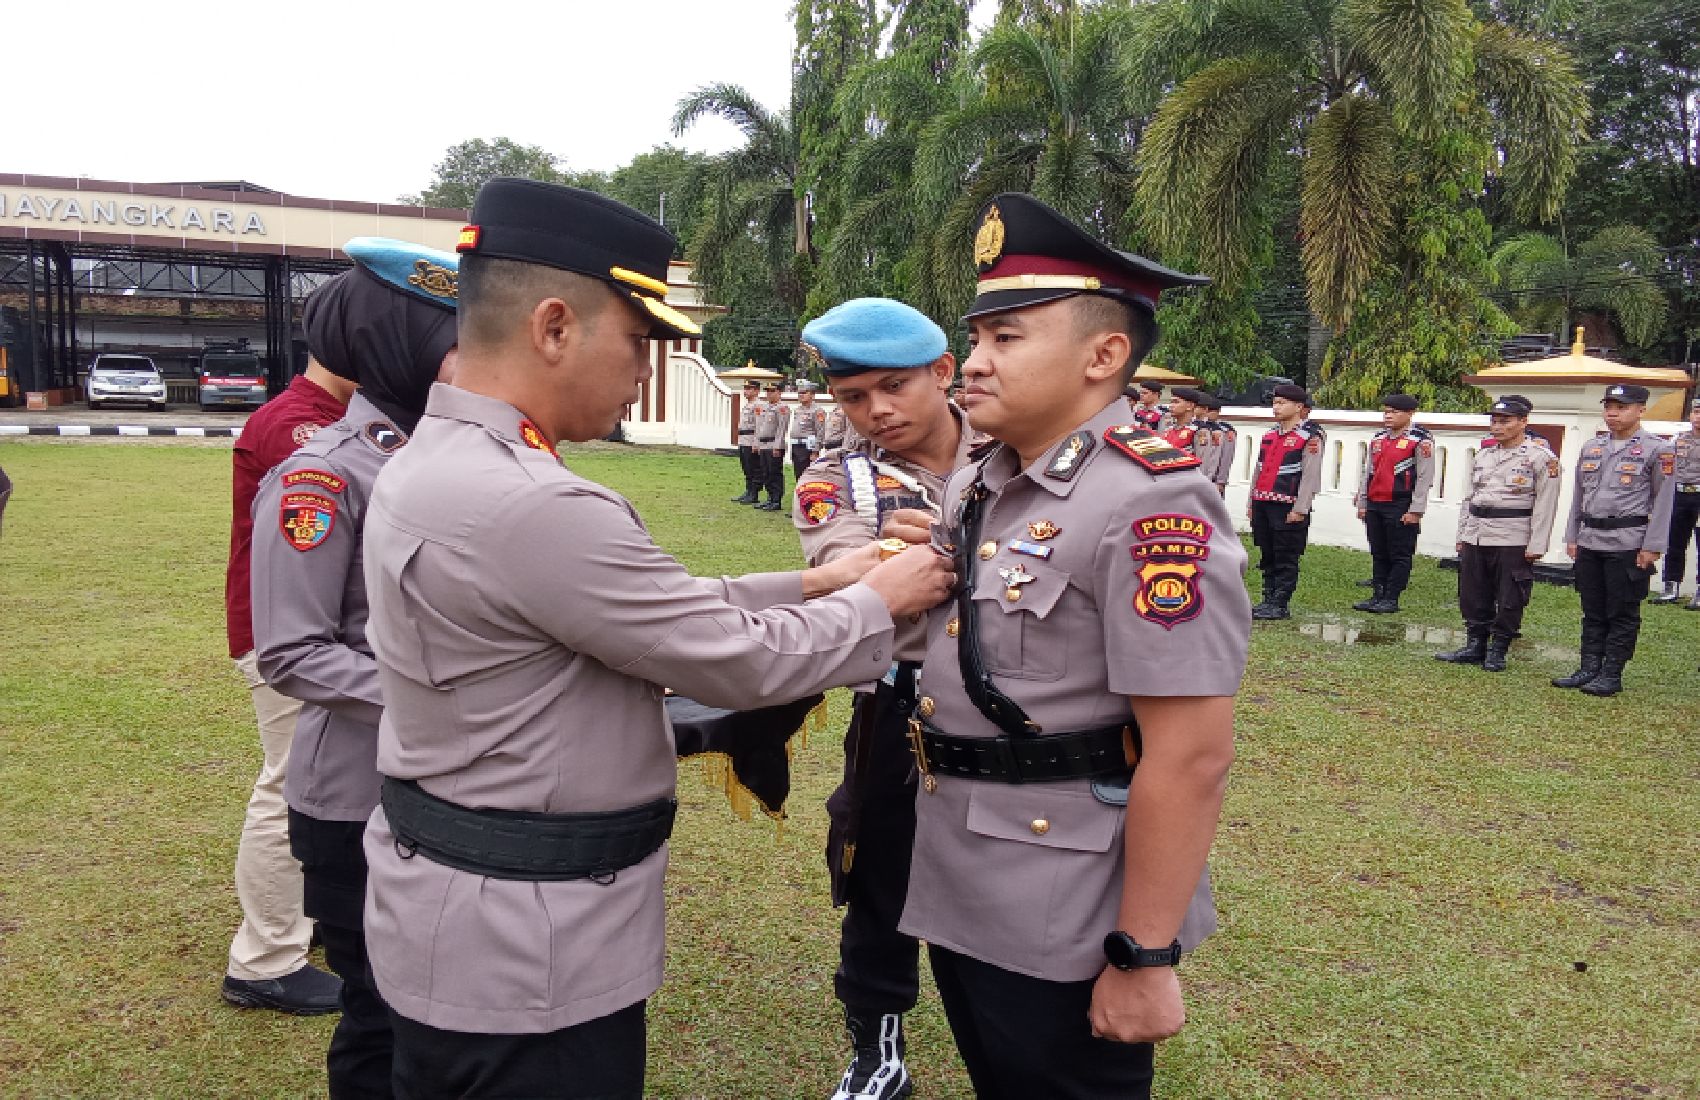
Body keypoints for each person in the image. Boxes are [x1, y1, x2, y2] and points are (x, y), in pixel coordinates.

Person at [357, 179, 955, 1099]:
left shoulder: (433, 461)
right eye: (639, 341)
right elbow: (738, 660)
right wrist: (880, 599)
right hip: (531, 948)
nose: (644, 370)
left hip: (456, 911)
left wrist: (813, 582)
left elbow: (632, 609)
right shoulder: (539, 502)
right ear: (554, 327)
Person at [894, 192, 1249, 1100]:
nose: (974, 362)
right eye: (977, 337)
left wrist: (1144, 954)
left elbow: (1191, 753)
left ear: (1103, 356)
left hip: (1066, 896)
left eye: (1007, 338)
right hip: (966, 864)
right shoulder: (984, 481)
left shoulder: (1150, 501)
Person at [251, 237, 461, 1096]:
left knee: (441, 1016)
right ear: (395, 342)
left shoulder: (455, 462)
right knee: (380, 1019)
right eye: (456, 340)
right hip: (354, 799)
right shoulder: (325, 475)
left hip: (445, 793)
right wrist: (445, 698)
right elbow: (292, 652)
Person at [792, 297, 981, 1100]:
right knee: (880, 872)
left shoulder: (1021, 453)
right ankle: (877, 1050)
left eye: (894, 386)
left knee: (1010, 871)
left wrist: (941, 548)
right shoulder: (838, 479)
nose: (876, 410)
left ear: (943, 371)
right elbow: (859, 580)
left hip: (1020, 708)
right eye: (853, 396)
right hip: (902, 705)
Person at [219, 321, 357, 1018]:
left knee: (319, 779)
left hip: (310, 635)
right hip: (290, 638)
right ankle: (265, 960)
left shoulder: (332, 419)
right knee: (288, 785)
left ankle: (307, 919)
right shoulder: (298, 428)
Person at [1552, 383, 1675, 696]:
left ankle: (1612, 673)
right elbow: (1578, 496)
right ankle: (1588, 666)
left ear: (1640, 410)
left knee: (1622, 611)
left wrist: (1652, 546)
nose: (1613, 413)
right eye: (1609, 407)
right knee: (1592, 609)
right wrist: (1572, 535)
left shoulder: (1657, 450)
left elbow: (1664, 502)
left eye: (1621, 407)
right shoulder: (1592, 447)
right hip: (1590, 539)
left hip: (1628, 542)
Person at [1434, 395, 1560, 672]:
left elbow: (1546, 504)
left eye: (1505, 421)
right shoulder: (1484, 455)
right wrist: (1462, 533)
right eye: (1494, 421)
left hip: (1513, 535)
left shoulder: (1540, 457)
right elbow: (1470, 497)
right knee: (1472, 591)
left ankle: (1498, 649)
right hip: (1477, 532)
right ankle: (1475, 645)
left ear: (1523, 422)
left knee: (1510, 595)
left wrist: (1537, 543)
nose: (1498, 426)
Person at [1351, 394, 1435, 614]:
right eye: (1386, 411)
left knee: (1399, 553)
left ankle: (1391, 598)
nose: (1388, 416)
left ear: (1410, 414)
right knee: (1378, 551)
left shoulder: (1420, 440)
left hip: (1400, 503)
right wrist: (1363, 500)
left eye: (1394, 412)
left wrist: (1416, 510)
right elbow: (1369, 471)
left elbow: (1424, 477)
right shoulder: (1379, 438)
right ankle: (1378, 594)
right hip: (1375, 502)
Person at [1248, 383, 1323, 620]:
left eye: (1282, 403)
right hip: (1263, 501)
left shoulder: (1309, 437)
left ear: (1299, 407)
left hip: (1287, 504)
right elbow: (1259, 469)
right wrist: (1252, 501)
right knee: (1267, 553)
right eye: (1274, 402)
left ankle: (1280, 603)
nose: (1276, 407)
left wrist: (1300, 508)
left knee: (1286, 555)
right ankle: (1268, 598)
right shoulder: (1270, 435)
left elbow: (1310, 475)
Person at [1652, 401, 1700, 606]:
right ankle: (1670, 587)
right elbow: (1665, 465)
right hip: (1678, 495)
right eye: (1696, 412)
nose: (1698, 417)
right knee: (1674, 542)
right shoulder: (1677, 439)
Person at [755, 379, 792, 510]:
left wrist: (777, 446)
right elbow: (760, 427)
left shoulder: (782, 408)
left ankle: (776, 500)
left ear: (779, 393)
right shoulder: (765, 407)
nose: (769, 394)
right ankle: (770, 497)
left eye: (772, 391)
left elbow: (782, 428)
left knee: (774, 473)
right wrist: (758, 443)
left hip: (773, 444)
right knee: (765, 473)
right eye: (768, 391)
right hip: (764, 444)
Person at [1158, 387, 1214, 470]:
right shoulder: (1169, 429)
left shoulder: (1199, 431)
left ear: (1190, 406)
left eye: (1176, 402)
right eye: (1171, 402)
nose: (1171, 406)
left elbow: (1202, 465)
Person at [1195, 392, 1235, 496]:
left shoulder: (1224, 431)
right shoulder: (1193, 427)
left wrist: (1221, 481)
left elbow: (1226, 457)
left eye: (1210, 411)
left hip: (1212, 479)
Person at [790, 379, 830, 482]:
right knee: (798, 474)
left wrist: (816, 450)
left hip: (807, 447)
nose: (801, 395)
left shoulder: (817, 410)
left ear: (812, 395)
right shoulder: (798, 410)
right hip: (796, 446)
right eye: (799, 393)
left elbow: (820, 431)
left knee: (807, 475)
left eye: (804, 393)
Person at [732, 379, 763, 503]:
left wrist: (756, 442)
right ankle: (748, 491)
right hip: (744, 439)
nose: (746, 391)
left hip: (751, 439)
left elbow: (759, 425)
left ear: (756, 391)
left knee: (753, 468)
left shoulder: (758, 405)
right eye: (745, 388)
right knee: (746, 467)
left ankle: (754, 493)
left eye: (749, 389)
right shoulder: (748, 405)